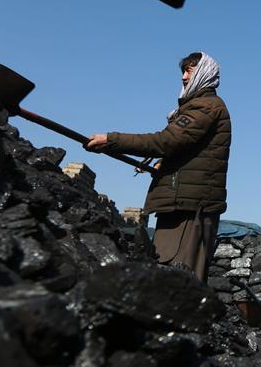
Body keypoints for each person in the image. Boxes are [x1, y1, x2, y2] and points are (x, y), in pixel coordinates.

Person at [86, 52, 231, 282]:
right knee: (175, 277)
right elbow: (184, 147)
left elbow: (166, 141)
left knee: (177, 279)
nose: (184, 77)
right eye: (183, 72)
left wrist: (112, 140)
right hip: (184, 204)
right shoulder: (200, 106)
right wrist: (167, 162)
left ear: (204, 73)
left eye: (189, 71)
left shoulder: (205, 106)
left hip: (189, 209)